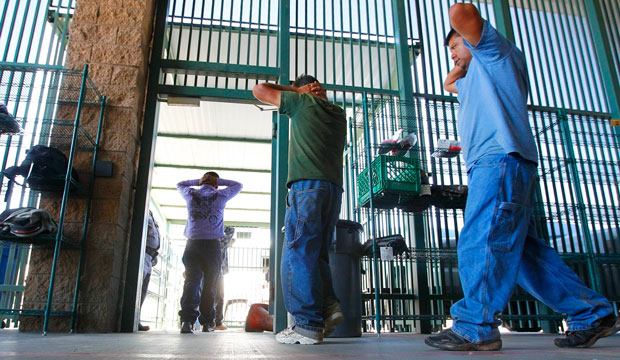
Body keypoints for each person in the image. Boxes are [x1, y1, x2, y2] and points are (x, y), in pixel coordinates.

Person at [424, 3, 619, 351]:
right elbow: (450, 84)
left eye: (454, 45)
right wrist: (457, 67)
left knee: (482, 238)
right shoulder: (475, 79)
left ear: (473, 39)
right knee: (526, 255)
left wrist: (466, 40)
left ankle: (475, 326)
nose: (451, 53)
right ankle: (591, 313)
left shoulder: (497, 54)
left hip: (499, 160)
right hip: (500, 164)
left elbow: (461, 12)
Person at [253, 75, 346, 345]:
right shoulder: (339, 114)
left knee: (298, 251)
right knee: (317, 254)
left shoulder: (302, 101)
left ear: (306, 89)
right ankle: (328, 309)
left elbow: (259, 89)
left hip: (307, 187)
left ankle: (305, 325)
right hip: (333, 190)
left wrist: (296, 90)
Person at [177, 172, 242, 333]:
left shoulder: (191, 193)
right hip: (212, 246)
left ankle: (187, 321)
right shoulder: (221, 195)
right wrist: (216, 181)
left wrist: (197, 181)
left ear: (201, 182)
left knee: (191, 281)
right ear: (216, 184)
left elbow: (180, 184)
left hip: (193, 244)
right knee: (210, 285)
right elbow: (238, 185)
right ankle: (207, 323)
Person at [199, 225, 235, 331]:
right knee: (218, 296)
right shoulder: (220, 242)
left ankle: (210, 321)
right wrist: (218, 226)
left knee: (210, 295)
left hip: (212, 271)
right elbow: (231, 229)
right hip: (217, 271)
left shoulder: (208, 239)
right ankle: (216, 321)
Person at [138, 210, 161, 331]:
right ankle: (135, 319)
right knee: (139, 288)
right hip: (144, 253)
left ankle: (136, 318)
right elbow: (145, 229)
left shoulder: (151, 214)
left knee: (143, 290)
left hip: (149, 256)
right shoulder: (146, 212)